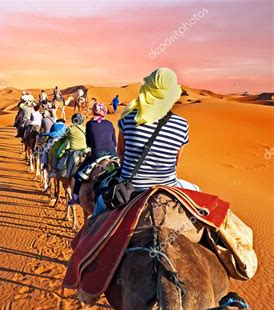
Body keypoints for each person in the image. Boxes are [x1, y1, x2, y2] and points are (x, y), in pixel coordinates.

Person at [92, 67, 200, 216]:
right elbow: (177, 162)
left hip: (130, 190)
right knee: (198, 192)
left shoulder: (128, 118)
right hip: (168, 188)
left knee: (98, 206)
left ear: (147, 89)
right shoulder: (182, 124)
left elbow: (121, 153)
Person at [69, 102, 117, 205]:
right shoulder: (110, 123)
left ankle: (76, 197)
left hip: (97, 155)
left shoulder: (89, 124)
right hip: (113, 154)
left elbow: (88, 143)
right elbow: (114, 142)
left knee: (77, 176)